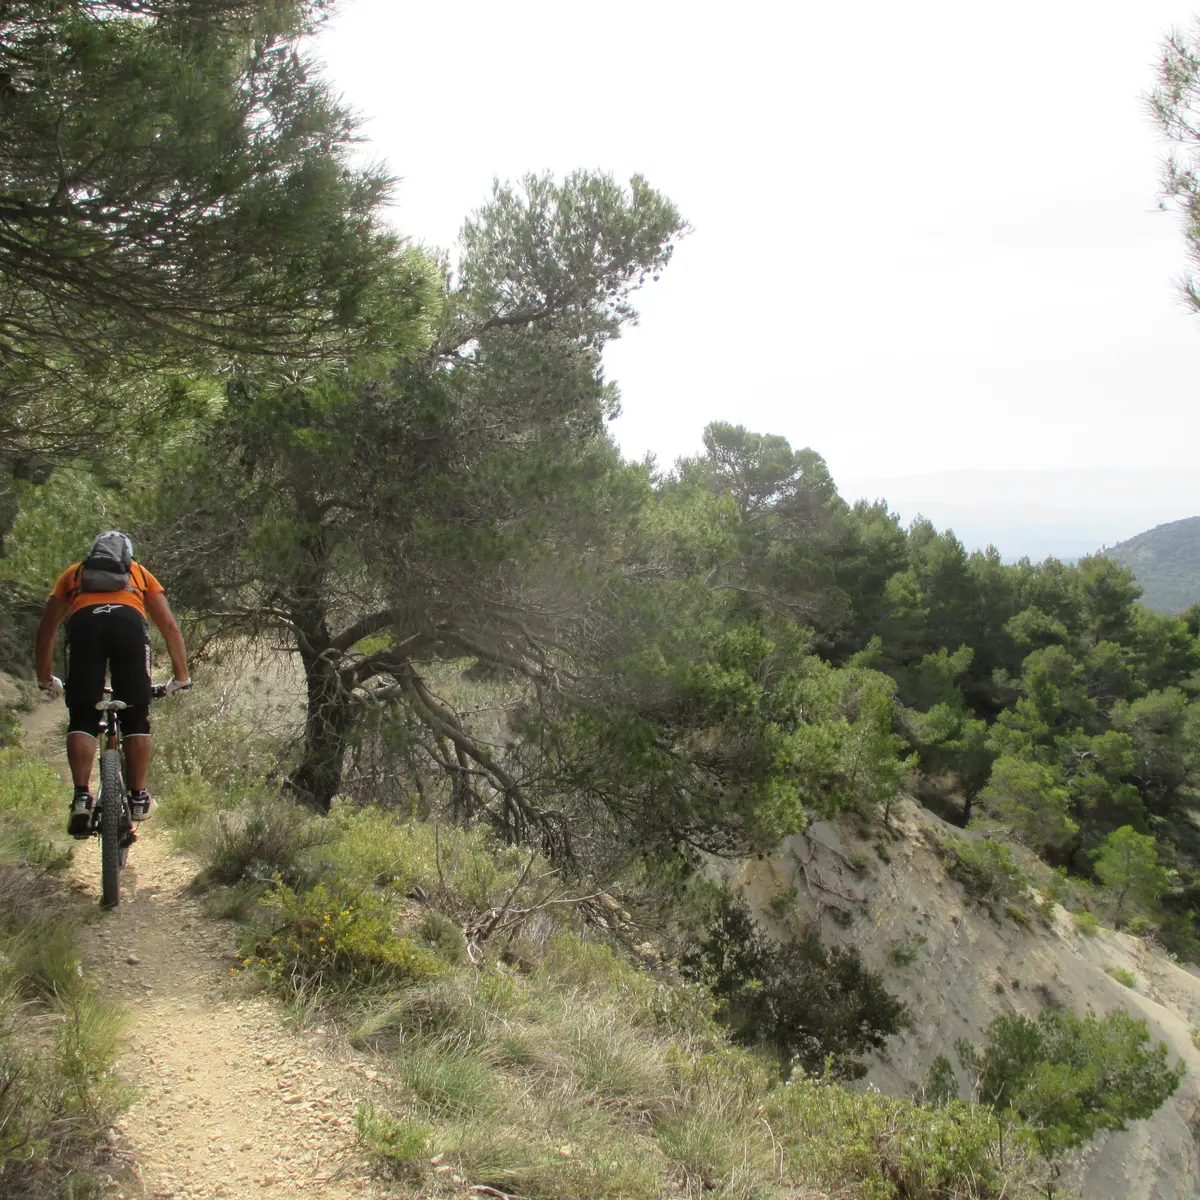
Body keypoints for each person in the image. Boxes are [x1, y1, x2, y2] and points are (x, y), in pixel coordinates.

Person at [33, 531, 190, 837]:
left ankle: (81, 796)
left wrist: (44, 676)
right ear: (125, 556)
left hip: (85, 626)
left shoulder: (74, 574)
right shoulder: (139, 573)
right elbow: (169, 627)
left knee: (82, 716)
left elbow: (46, 630)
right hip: (128, 626)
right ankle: (138, 797)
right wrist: (181, 677)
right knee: (136, 716)